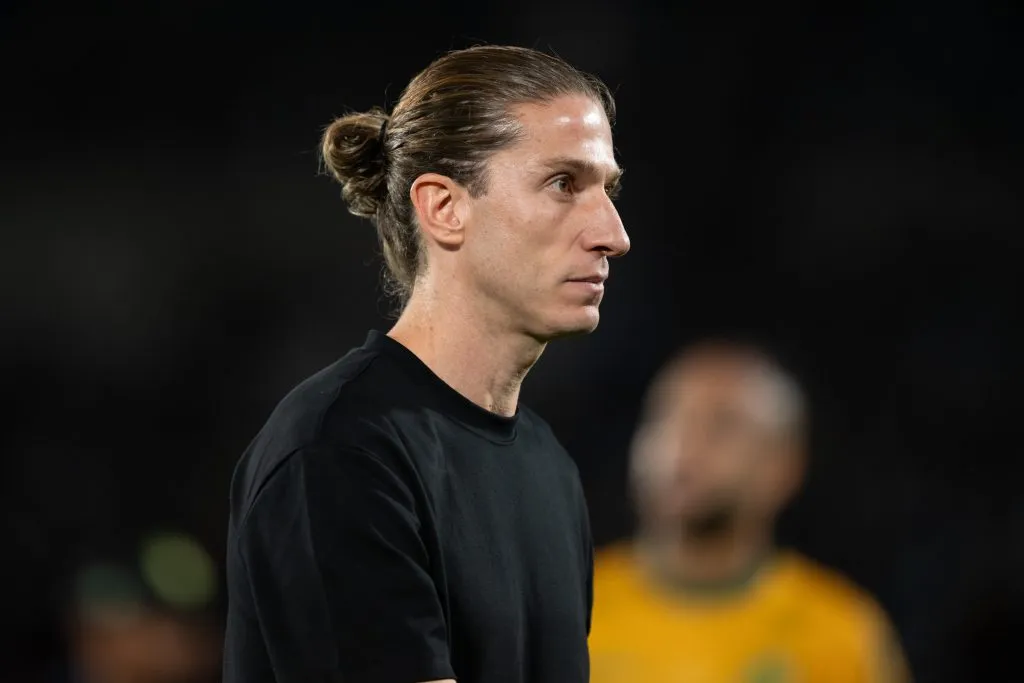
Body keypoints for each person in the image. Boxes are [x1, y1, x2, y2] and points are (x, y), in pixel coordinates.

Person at [222, 45, 630, 683]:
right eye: (563, 184)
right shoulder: (338, 452)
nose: (614, 234)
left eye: (607, 189)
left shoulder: (550, 466)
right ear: (444, 208)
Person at [589, 341, 911, 683]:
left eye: (721, 425)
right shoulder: (574, 611)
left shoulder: (841, 635)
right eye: (665, 417)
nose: (681, 445)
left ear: (782, 466)